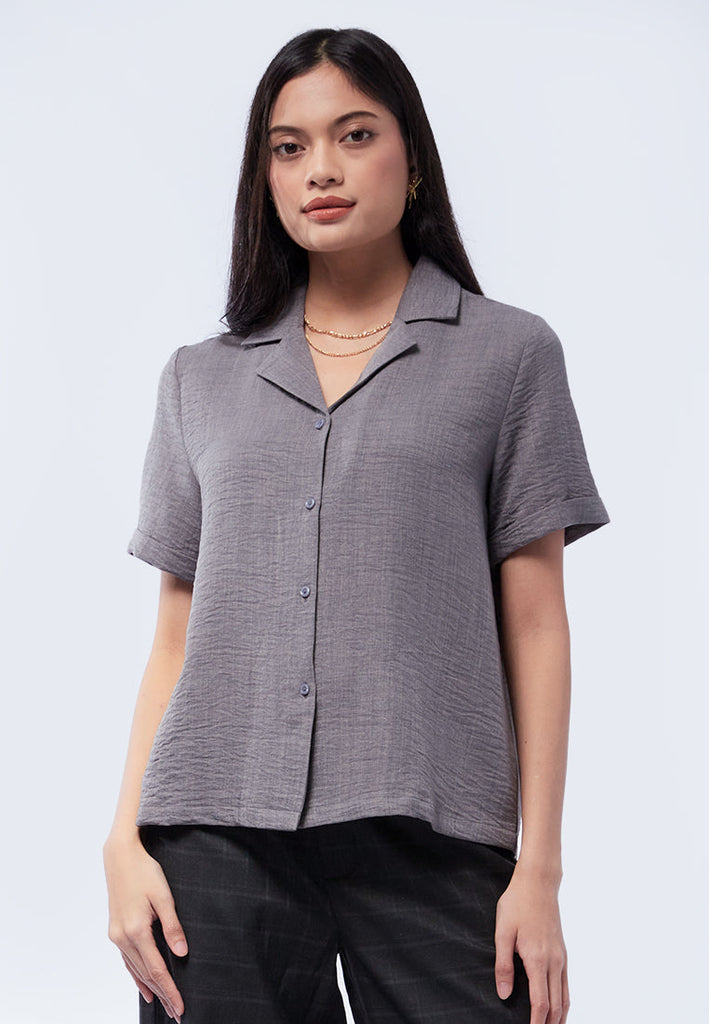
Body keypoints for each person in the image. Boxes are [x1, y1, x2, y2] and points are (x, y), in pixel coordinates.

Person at [103, 26, 610, 1024]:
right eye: (288, 147)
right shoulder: (198, 379)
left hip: (433, 831)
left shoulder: (508, 356)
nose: (320, 170)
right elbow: (175, 636)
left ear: (410, 157)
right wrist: (123, 841)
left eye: (355, 134)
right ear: (264, 177)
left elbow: (537, 622)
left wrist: (538, 870)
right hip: (214, 836)